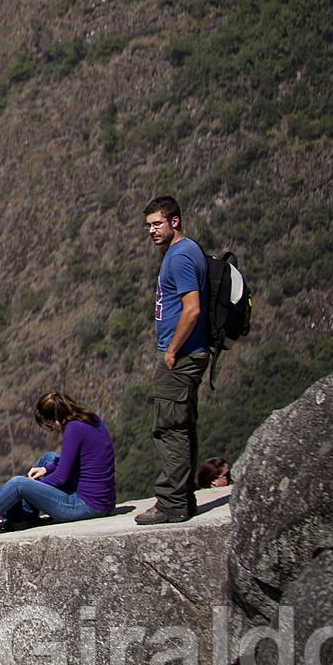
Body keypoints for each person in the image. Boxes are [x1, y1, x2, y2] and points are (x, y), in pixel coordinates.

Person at [0, 391, 117, 537]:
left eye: (49, 425)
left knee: (18, 484)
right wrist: (46, 469)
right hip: (100, 500)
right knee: (48, 458)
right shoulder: (88, 419)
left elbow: (61, 478)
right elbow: (72, 461)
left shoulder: (73, 429)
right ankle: (22, 517)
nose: (52, 429)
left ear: (54, 419)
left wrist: (30, 488)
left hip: (86, 505)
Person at [136, 195, 209, 524]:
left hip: (181, 356)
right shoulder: (186, 251)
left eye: (157, 224)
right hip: (189, 353)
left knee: (169, 428)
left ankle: (171, 503)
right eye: (148, 226)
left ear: (175, 221)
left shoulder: (179, 257)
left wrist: (172, 350)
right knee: (183, 425)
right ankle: (184, 497)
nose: (152, 230)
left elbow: (192, 309)